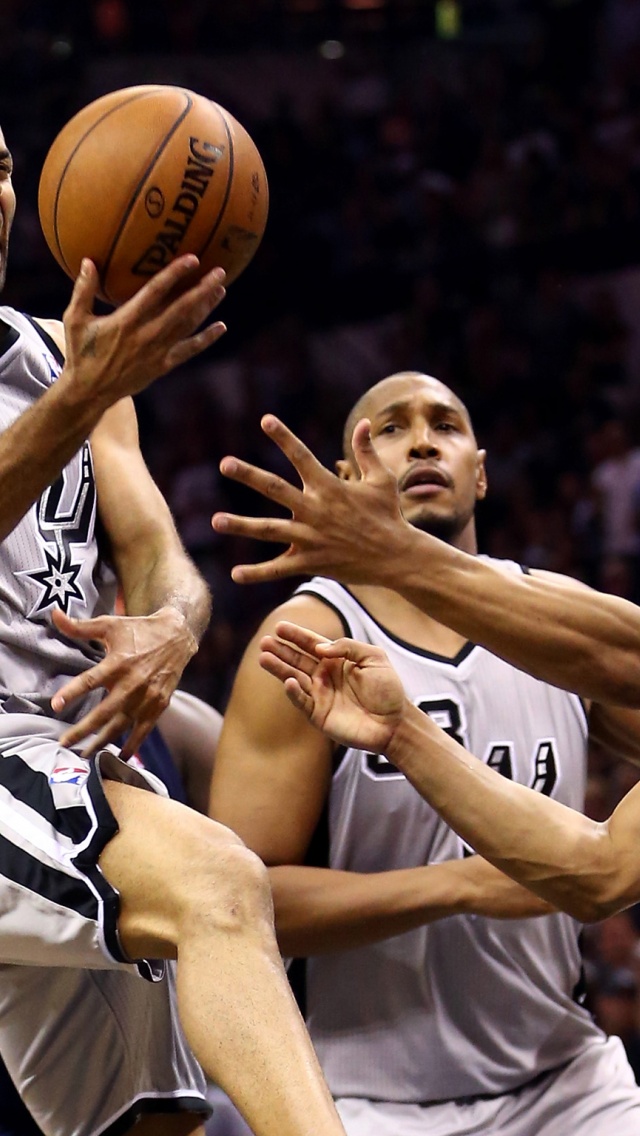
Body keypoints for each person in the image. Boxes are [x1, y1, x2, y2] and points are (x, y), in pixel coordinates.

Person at [0, 127, 347, 1136]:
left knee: (151, 1125)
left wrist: (171, 625)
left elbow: (157, 549)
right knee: (219, 880)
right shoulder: (80, 378)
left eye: (6, 167)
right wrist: (78, 397)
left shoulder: (64, 354)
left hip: (62, 761)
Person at [210, 372, 640, 1136]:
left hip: (568, 1080)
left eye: (444, 424)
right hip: (374, 1098)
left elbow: (608, 870)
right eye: (390, 429)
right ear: (347, 481)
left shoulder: (559, 628)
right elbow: (242, 905)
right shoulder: (305, 640)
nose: (420, 441)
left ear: (480, 470)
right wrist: (455, 885)